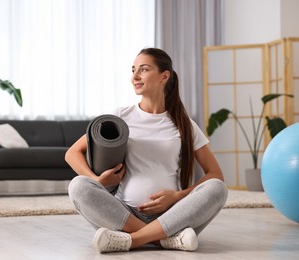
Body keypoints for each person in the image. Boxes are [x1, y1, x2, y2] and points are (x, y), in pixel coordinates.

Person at [65, 47, 228, 253]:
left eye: (143, 69)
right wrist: (96, 181)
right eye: (133, 70)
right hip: (124, 213)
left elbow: (216, 174)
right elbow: (72, 153)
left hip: (172, 214)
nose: (135, 76)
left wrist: (177, 197)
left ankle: (131, 240)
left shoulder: (185, 124)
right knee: (79, 185)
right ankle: (164, 239)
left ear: (164, 76)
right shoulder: (121, 116)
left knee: (217, 188)